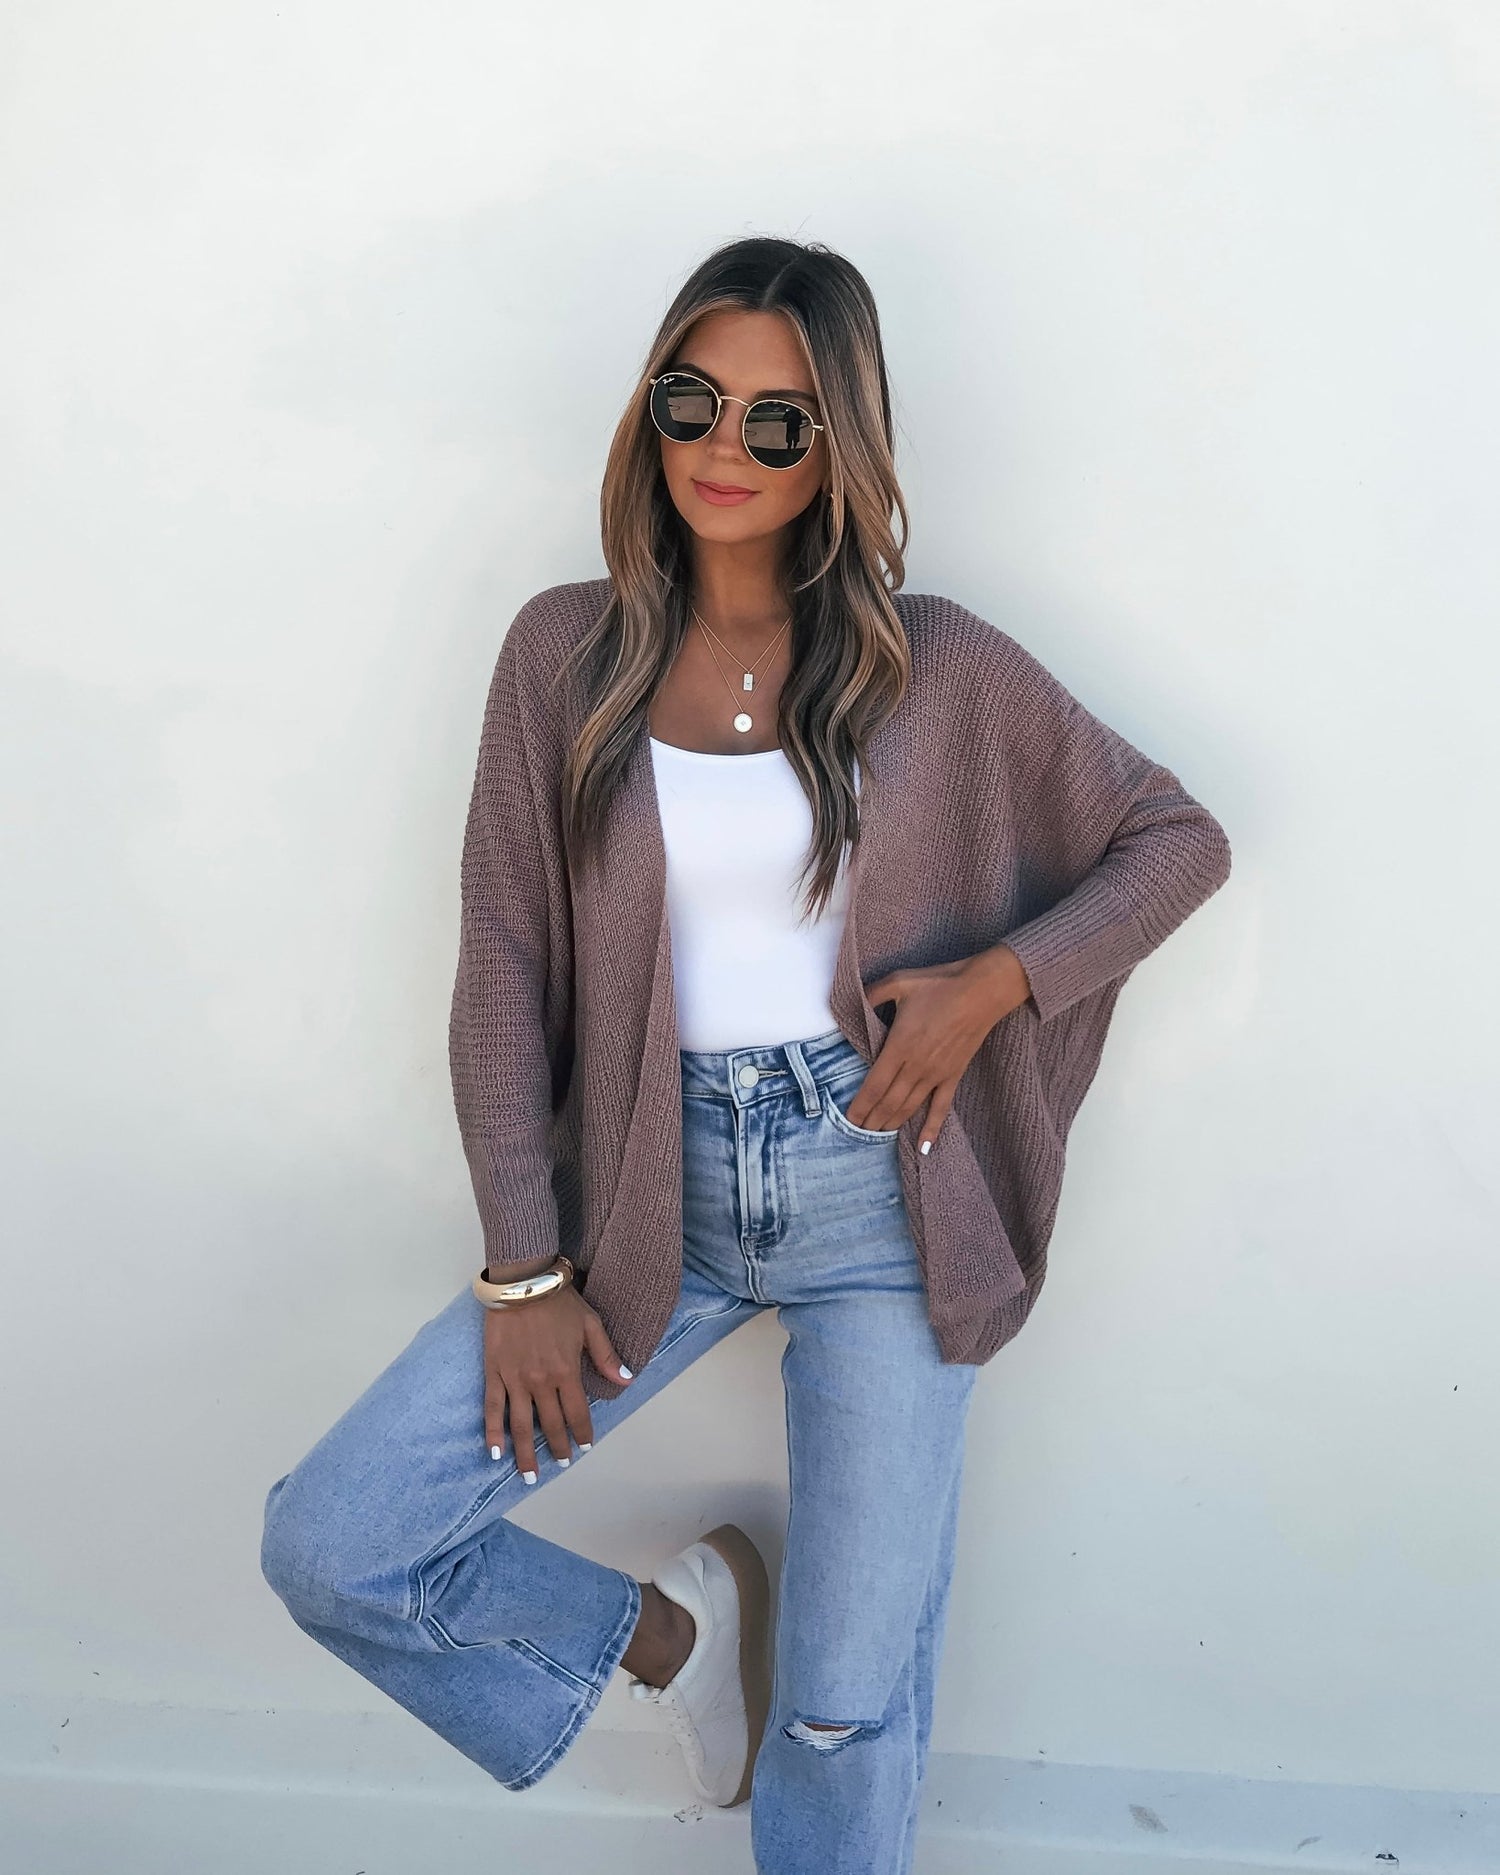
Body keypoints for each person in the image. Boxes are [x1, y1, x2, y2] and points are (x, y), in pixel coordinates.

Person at [259, 235, 1232, 1874]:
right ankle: (674, 1650)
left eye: (780, 423)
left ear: (840, 447)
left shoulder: (944, 668)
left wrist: (996, 983)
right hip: (651, 1193)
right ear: (649, 414)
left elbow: (1175, 841)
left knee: (847, 1708)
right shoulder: (560, 656)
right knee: (337, 1538)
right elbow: (501, 962)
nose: (726, 449)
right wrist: (522, 1268)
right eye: (693, 402)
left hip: (890, 1204)